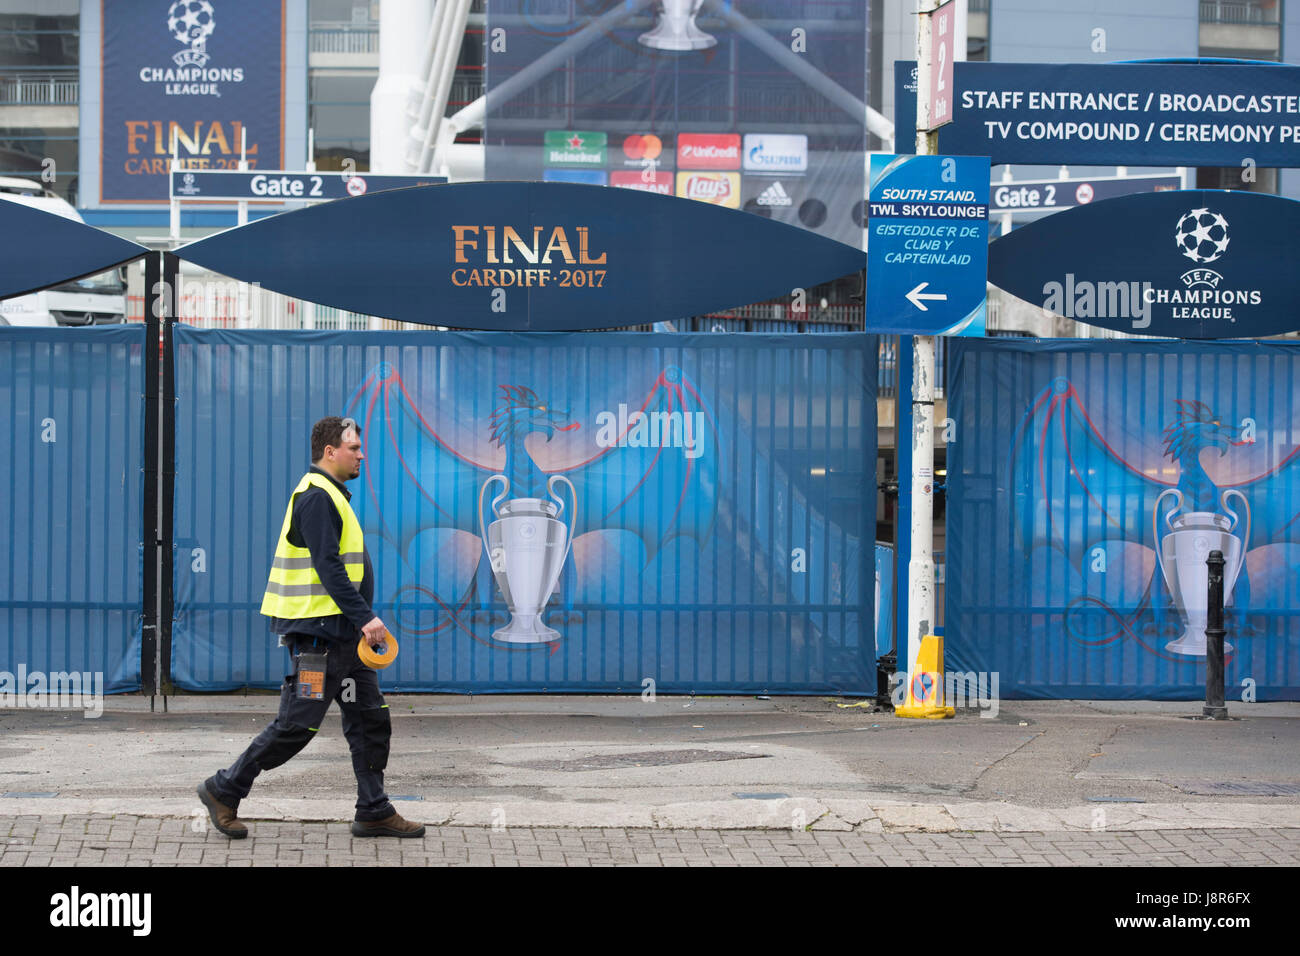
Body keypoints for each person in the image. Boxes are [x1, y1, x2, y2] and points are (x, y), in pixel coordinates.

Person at [197, 415, 424, 839]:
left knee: (370, 719)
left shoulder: (334, 496)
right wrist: (367, 618)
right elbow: (328, 568)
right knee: (298, 725)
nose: (362, 454)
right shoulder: (317, 496)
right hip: (320, 636)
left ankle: (373, 809)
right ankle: (224, 789)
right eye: (354, 448)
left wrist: (357, 624)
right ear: (329, 452)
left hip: (345, 638)